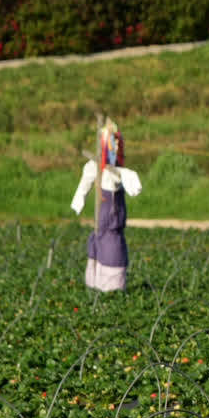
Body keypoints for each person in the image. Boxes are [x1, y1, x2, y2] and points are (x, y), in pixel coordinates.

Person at [70, 118, 142, 292]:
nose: (116, 146)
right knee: (106, 244)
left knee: (112, 244)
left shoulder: (116, 170)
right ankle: (105, 288)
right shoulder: (97, 167)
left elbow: (123, 176)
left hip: (114, 221)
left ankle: (109, 287)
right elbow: (85, 184)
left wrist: (129, 178)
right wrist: (79, 200)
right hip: (106, 218)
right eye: (113, 141)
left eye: (118, 141)